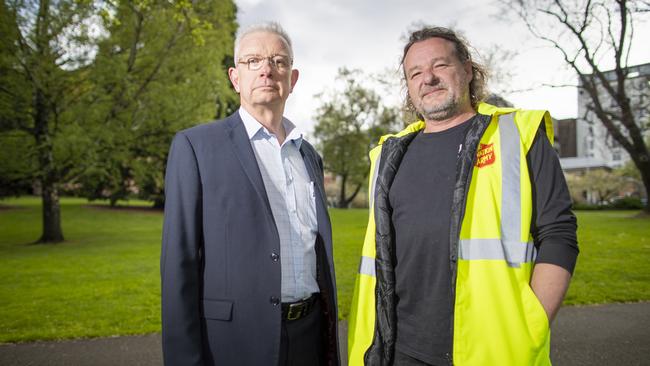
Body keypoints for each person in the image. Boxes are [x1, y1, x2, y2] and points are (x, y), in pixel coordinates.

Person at [348, 26, 579, 366]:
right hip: (399, 349)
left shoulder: (517, 134)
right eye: (415, 72)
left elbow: (558, 234)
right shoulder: (387, 156)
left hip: (493, 350)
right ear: (409, 87)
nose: (428, 78)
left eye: (440, 65)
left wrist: (532, 323)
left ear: (468, 70)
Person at [161, 21, 339, 366]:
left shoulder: (308, 155)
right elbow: (179, 264)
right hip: (234, 341)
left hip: (310, 335)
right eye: (253, 61)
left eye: (279, 61)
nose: (267, 70)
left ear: (293, 78)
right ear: (234, 77)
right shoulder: (195, 146)